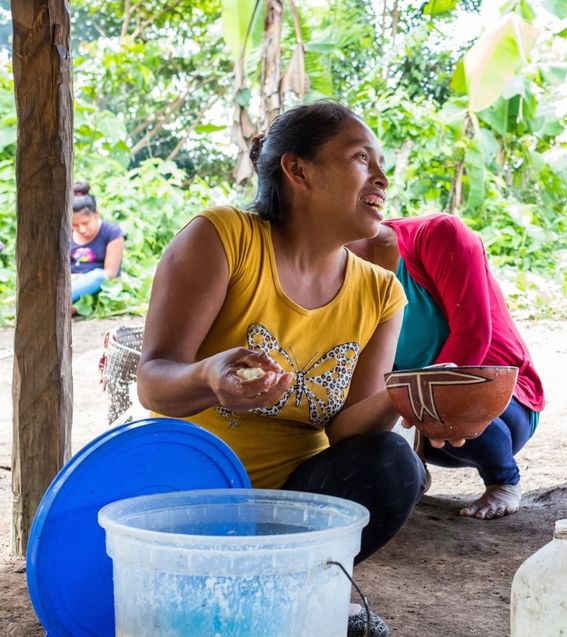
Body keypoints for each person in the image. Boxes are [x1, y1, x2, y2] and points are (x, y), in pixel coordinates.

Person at [137, 101, 428, 637]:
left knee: (395, 463)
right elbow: (153, 382)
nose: (383, 177)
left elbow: (345, 432)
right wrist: (208, 377)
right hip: (194, 498)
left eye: (380, 162)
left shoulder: (381, 291)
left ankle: (284, 593)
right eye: (362, 158)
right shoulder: (224, 238)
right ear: (298, 170)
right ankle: (281, 602)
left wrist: (401, 397)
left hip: (297, 509)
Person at [349, 214, 545, 520]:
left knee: (443, 401)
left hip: (498, 403)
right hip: (420, 418)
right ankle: (413, 471)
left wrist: (416, 402)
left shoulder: (439, 234)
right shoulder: (338, 279)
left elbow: (473, 335)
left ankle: (503, 480)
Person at [70, 181, 124, 302]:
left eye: (85, 223)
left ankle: (60, 300)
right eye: (75, 225)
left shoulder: (111, 232)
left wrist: (81, 278)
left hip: (97, 285)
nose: (82, 229)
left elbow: (110, 274)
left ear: (97, 214)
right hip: (68, 282)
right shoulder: (66, 234)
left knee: (98, 276)